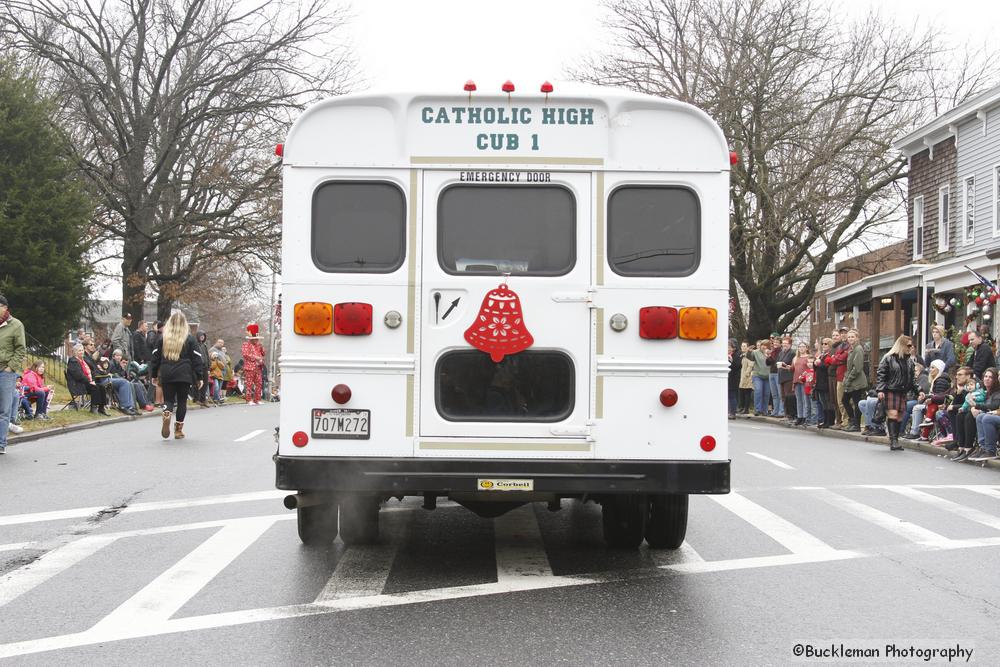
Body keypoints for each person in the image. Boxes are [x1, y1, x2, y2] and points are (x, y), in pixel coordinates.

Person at [150, 311, 204, 440]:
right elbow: (197, 358)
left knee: (168, 400)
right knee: (181, 402)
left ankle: (166, 412)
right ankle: (178, 430)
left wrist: (154, 374)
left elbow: (155, 357)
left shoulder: (163, 338)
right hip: (184, 374)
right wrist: (199, 376)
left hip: (167, 372)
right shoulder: (190, 339)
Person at [876, 335, 916, 450]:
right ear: (902, 345)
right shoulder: (888, 357)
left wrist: (919, 391)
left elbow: (913, 379)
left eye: (911, 345)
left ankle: (896, 440)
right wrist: (880, 390)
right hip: (890, 390)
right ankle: (893, 441)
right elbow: (881, 374)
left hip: (902, 391)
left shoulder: (909, 361)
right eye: (908, 345)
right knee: (893, 415)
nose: (910, 348)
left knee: (899, 417)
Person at [0, 295, 27, 454]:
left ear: (4, 307)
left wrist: (11, 368)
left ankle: (1, 443)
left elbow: (21, 349)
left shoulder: (16, 325)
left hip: (5, 372)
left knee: (4, 410)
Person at [903, 359, 949, 440]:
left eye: (933, 368)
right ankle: (918, 431)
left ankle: (915, 432)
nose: (930, 370)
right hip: (931, 403)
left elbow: (940, 396)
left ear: (939, 369)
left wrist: (927, 398)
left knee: (916, 408)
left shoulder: (941, 381)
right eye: (930, 367)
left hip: (937, 405)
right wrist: (926, 396)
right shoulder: (935, 380)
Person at [67, 343, 109, 415]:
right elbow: (79, 375)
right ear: (75, 352)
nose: (82, 352)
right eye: (79, 351)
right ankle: (93, 408)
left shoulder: (83, 361)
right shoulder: (73, 361)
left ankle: (101, 408)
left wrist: (92, 380)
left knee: (101, 387)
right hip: (78, 384)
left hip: (86, 383)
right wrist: (89, 381)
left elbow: (91, 372)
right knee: (95, 387)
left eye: (82, 350)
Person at [842, 329, 868, 432]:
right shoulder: (851, 349)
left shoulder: (858, 349)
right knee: (845, 400)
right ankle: (852, 421)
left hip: (857, 381)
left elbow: (857, 368)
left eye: (852, 337)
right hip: (850, 380)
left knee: (857, 402)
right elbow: (849, 367)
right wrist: (846, 377)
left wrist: (849, 379)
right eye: (849, 337)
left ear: (857, 338)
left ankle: (856, 424)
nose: (850, 339)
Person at [241, 323, 265, 405]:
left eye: (257, 339)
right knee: (249, 384)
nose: (257, 340)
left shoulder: (259, 345)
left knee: (259, 383)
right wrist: (256, 358)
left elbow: (263, 354)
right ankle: (248, 400)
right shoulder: (246, 345)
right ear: (251, 339)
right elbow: (245, 354)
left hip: (258, 367)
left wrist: (262, 348)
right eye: (255, 339)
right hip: (249, 367)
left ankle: (257, 399)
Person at [813, 338, 832, 428]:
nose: (824, 345)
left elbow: (827, 366)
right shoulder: (821, 355)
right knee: (822, 401)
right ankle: (824, 420)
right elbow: (816, 367)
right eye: (823, 344)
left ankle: (829, 421)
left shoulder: (829, 355)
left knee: (827, 401)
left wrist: (820, 363)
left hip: (825, 381)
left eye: (826, 344)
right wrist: (815, 363)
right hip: (819, 381)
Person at [751, 339, 772, 416]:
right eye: (763, 345)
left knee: (766, 393)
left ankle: (764, 410)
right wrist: (749, 352)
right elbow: (750, 357)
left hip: (767, 376)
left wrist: (769, 356)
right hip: (757, 375)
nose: (764, 347)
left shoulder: (770, 353)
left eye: (766, 345)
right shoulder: (756, 352)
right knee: (758, 391)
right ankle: (757, 409)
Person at [791, 342, 811, 426]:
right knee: (798, 399)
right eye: (800, 347)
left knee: (805, 399)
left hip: (804, 381)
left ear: (806, 348)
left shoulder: (808, 357)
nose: (801, 348)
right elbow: (793, 369)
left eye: (803, 347)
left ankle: (805, 417)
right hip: (796, 380)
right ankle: (799, 416)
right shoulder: (796, 357)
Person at [738, 341, 754, 415]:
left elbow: (751, 365)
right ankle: (742, 407)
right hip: (742, 376)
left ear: (747, 347)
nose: (743, 347)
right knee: (742, 392)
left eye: (744, 346)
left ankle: (746, 409)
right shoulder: (742, 355)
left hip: (747, 376)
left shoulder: (749, 354)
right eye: (742, 346)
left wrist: (746, 374)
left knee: (747, 392)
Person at [727, 339, 740, 419]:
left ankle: (733, 412)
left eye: (729, 346)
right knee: (728, 395)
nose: (728, 348)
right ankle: (728, 411)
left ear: (733, 347)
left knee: (732, 395)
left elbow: (737, 365)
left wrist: (730, 360)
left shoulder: (737, 354)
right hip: (728, 376)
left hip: (734, 377)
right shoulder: (727, 354)